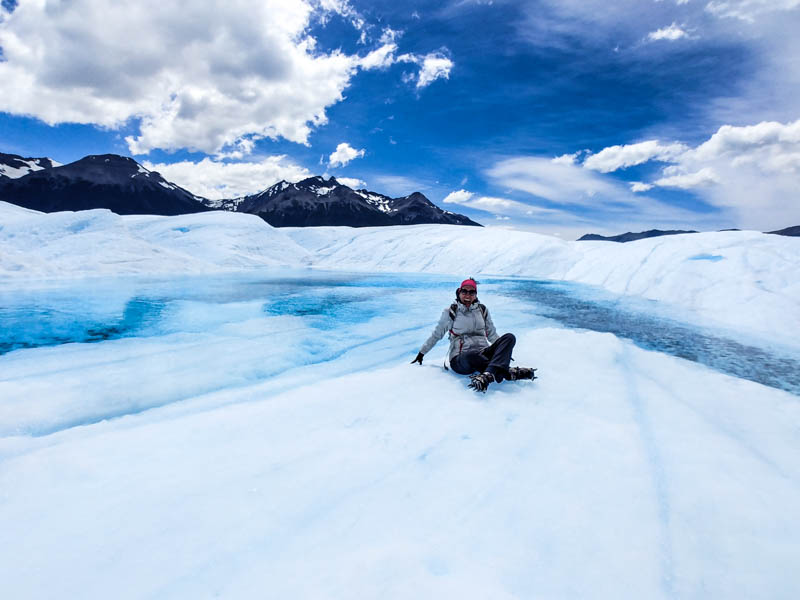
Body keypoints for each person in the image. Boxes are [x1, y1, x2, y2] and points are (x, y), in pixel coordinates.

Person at [411, 277, 536, 392]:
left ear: (475, 294)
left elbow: (491, 334)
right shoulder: (450, 312)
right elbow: (437, 334)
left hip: (482, 352)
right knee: (472, 355)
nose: (467, 295)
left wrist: (500, 351)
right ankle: (506, 372)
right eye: (464, 291)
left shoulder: (482, 310)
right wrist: (422, 353)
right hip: (461, 359)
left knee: (509, 337)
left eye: (471, 292)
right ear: (459, 292)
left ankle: (489, 374)